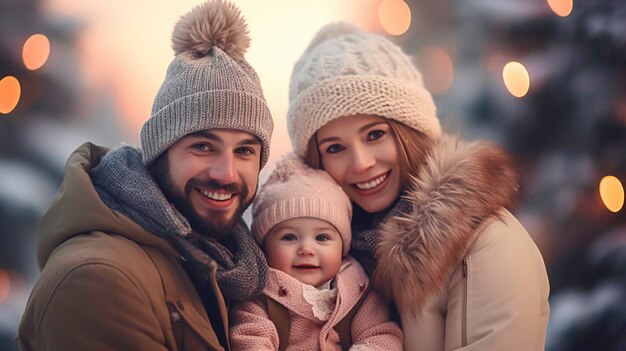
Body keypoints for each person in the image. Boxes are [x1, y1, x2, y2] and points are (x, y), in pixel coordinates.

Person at [17, 1, 273, 350]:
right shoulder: (99, 278)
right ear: (159, 153)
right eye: (202, 146)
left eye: (244, 151)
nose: (226, 172)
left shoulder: (219, 266)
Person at [287, 23, 551, 350]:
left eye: (375, 135)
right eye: (335, 148)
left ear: (410, 132)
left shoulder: (487, 246)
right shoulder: (325, 258)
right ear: (315, 162)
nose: (361, 163)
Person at [229, 154, 403, 351]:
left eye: (322, 238)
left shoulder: (358, 290)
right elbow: (249, 337)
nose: (306, 249)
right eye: (289, 237)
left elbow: (381, 334)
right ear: (265, 247)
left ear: (342, 248)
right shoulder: (259, 297)